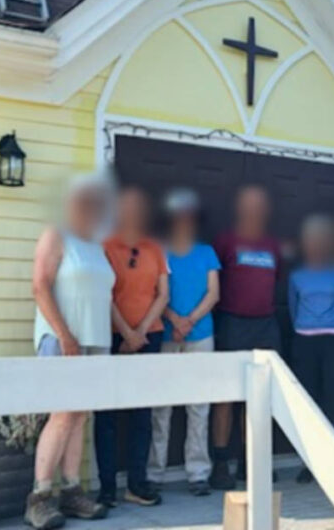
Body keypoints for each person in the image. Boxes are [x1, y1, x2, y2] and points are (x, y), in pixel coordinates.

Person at [24, 175, 112, 529]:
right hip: (63, 339)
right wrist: (65, 336)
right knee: (61, 414)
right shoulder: (56, 234)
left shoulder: (96, 243)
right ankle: (39, 498)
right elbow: (39, 286)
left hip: (95, 340)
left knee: (80, 416)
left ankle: (72, 492)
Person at [94, 187, 168, 509]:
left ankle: (137, 483)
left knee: (142, 413)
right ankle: (107, 487)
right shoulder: (106, 245)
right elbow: (104, 293)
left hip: (149, 337)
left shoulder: (155, 248)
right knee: (106, 414)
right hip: (112, 336)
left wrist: (139, 333)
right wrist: (125, 332)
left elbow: (162, 295)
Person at [148, 189, 220, 497]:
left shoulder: (207, 253)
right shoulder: (159, 251)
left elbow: (214, 293)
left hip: (201, 335)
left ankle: (198, 473)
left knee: (199, 406)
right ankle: (154, 473)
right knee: (161, 407)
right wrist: (175, 321)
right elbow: (154, 293)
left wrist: (189, 321)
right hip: (166, 335)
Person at [210, 185, 282, 490]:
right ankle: (221, 465)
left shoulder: (272, 245)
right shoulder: (225, 241)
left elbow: (274, 282)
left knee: (260, 397)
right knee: (226, 397)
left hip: (265, 325)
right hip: (231, 323)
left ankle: (251, 463)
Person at [288, 215, 334, 483]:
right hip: (305, 342)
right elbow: (293, 309)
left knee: (333, 401)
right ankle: (309, 463)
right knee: (309, 403)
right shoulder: (297, 275)